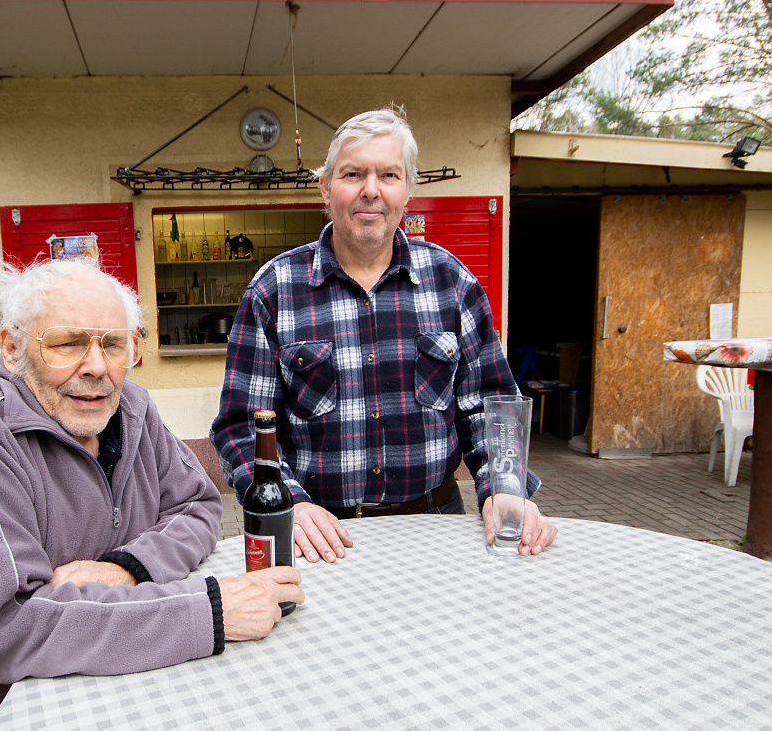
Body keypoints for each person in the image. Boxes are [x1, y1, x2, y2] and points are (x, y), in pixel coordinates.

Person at [0, 259, 303, 730]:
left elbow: (198, 505)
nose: (97, 367)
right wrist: (208, 611)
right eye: (68, 343)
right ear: (12, 347)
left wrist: (127, 567)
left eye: (114, 344)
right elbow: (8, 627)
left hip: (106, 698)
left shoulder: (135, 409)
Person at [211, 109, 557, 564]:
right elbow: (240, 426)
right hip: (319, 539)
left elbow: (489, 407)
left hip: (438, 526)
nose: (370, 189)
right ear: (325, 188)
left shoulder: (453, 283)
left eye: (388, 174)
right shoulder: (274, 290)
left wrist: (505, 489)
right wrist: (289, 501)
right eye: (352, 173)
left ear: (407, 190)